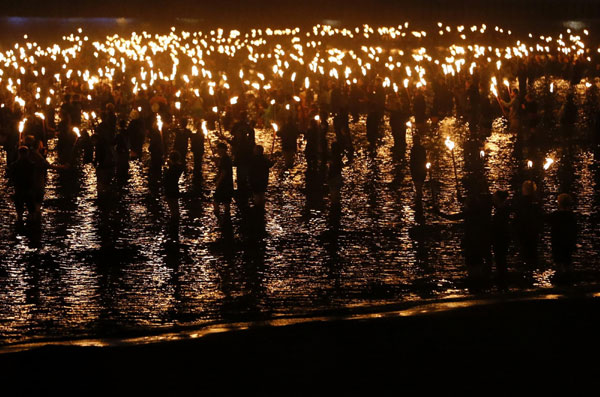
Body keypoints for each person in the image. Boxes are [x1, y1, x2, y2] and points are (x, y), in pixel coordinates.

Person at [513, 180, 544, 267]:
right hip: (533, 231)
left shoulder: (520, 201)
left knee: (524, 252)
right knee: (533, 252)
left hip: (523, 231)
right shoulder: (537, 201)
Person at [548, 193, 577, 273]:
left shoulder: (555, 215)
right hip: (568, 242)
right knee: (568, 261)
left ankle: (560, 278)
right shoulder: (572, 216)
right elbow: (575, 230)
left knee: (558, 262)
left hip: (557, 242)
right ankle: (569, 278)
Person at [491, 190, 511, 277]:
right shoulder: (504, 209)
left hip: (500, 238)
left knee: (500, 259)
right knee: (501, 259)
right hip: (503, 238)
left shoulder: (502, 212)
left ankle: (502, 277)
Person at [248, 145, 274, 211]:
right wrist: (273, 160)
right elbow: (270, 164)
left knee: (256, 194)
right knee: (261, 194)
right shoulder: (264, 159)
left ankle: (257, 208)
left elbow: (249, 170)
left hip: (255, 180)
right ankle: (261, 207)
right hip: (263, 180)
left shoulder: (252, 159)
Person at [213, 142, 234, 221]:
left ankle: (217, 217)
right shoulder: (226, 158)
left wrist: (218, 181)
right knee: (226, 202)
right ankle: (227, 218)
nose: (217, 150)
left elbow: (224, 172)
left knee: (216, 201)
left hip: (223, 184)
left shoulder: (225, 159)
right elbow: (222, 168)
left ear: (222, 149)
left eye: (218, 149)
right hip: (228, 183)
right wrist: (217, 163)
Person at [163, 151, 185, 221]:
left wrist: (166, 171)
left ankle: (174, 221)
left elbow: (166, 179)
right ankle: (177, 220)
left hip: (169, 189)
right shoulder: (179, 167)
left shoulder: (172, 169)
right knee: (176, 206)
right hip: (175, 188)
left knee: (172, 208)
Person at [410, 135, 427, 203]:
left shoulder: (421, 149)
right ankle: (419, 195)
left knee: (419, 183)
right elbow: (412, 160)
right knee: (417, 184)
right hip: (415, 169)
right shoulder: (413, 149)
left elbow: (424, 159)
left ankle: (419, 195)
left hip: (420, 168)